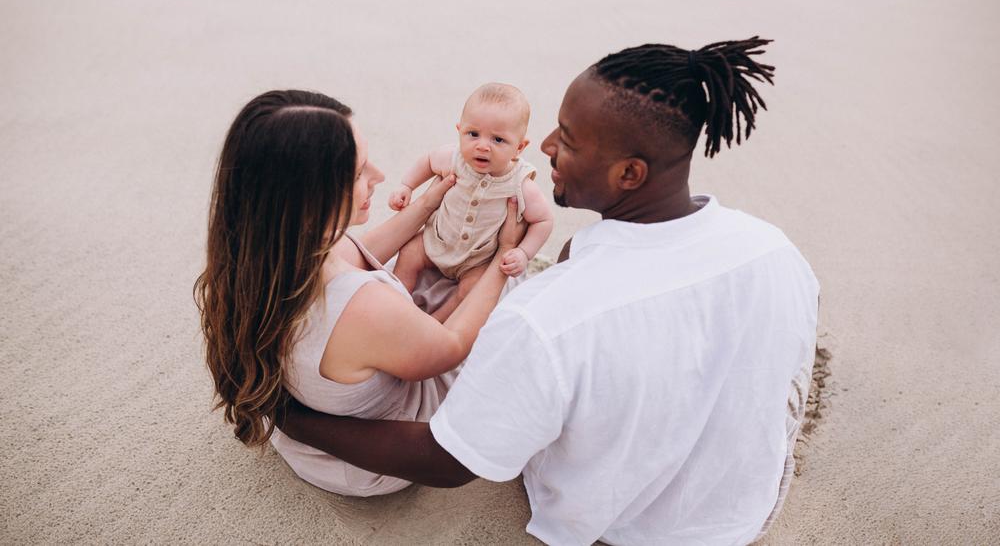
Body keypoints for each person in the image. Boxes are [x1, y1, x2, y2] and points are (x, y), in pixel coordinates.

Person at [276, 39, 820, 545]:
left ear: (630, 173)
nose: (548, 147)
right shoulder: (776, 250)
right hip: (745, 507)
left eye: (569, 139)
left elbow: (448, 460)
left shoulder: (548, 317)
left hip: (629, 528)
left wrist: (293, 418)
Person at [194, 90, 525, 497]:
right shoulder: (359, 305)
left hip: (336, 390)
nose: (380, 175)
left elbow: (361, 249)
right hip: (382, 447)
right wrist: (504, 255)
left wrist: (425, 206)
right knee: (511, 291)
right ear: (310, 199)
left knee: (435, 264)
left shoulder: (266, 253)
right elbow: (452, 346)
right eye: (357, 172)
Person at [389, 82, 554, 321]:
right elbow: (427, 161)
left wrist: (523, 253)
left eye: (498, 140)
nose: (483, 145)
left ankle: (434, 323)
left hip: (477, 260)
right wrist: (407, 186)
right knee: (408, 253)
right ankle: (395, 304)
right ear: (460, 131)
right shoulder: (453, 158)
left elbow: (544, 220)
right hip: (436, 241)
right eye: (473, 134)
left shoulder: (520, 183)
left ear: (519, 147)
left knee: (471, 291)